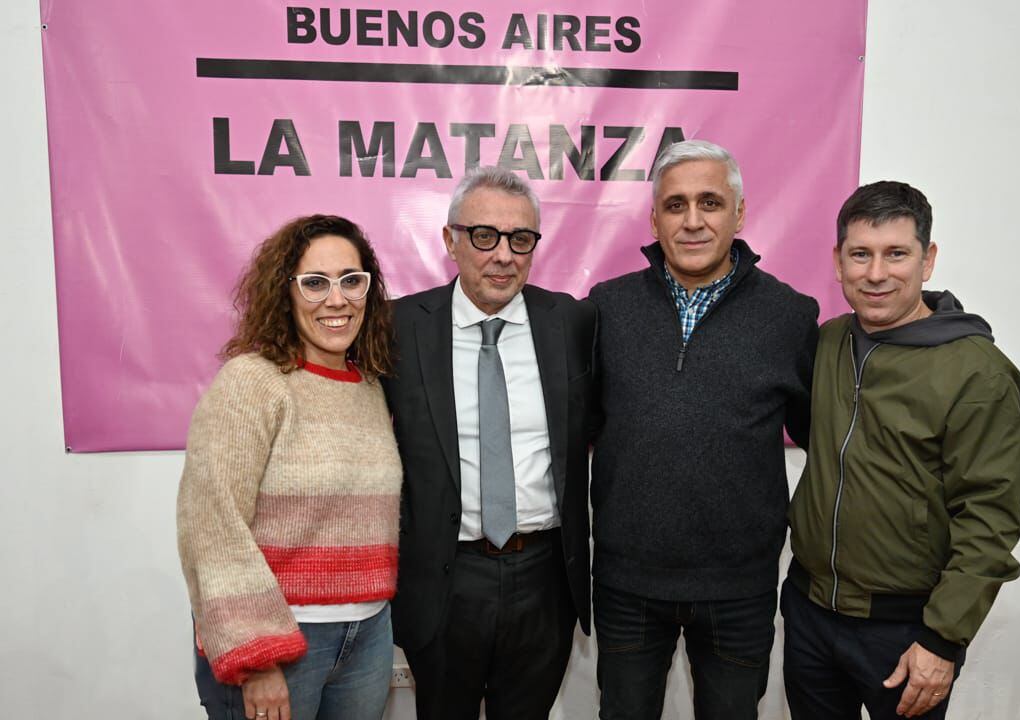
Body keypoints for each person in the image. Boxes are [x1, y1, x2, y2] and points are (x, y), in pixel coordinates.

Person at [587, 139, 819, 719]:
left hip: (739, 588)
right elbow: (582, 426)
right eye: (676, 205)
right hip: (628, 583)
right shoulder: (606, 309)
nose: (693, 221)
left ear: (739, 213)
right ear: (655, 217)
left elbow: (821, 435)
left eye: (710, 203)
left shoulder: (790, 316)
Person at [783, 180, 1020, 719]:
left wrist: (944, 640)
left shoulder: (976, 373)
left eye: (896, 254)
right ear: (838, 261)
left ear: (928, 259)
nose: (875, 274)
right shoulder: (828, 342)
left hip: (907, 630)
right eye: (860, 254)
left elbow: (989, 517)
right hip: (811, 613)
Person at [381, 166, 596, 720]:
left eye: (520, 239)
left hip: (544, 578)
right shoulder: (397, 328)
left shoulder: (572, 323)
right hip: (445, 580)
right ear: (450, 240)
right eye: (484, 236)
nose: (503, 255)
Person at [177, 214, 402, 720]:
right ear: (285, 292)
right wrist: (257, 659)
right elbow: (212, 526)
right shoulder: (252, 383)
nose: (337, 299)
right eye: (315, 283)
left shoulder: (368, 387)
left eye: (351, 280)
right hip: (283, 642)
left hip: (367, 636)